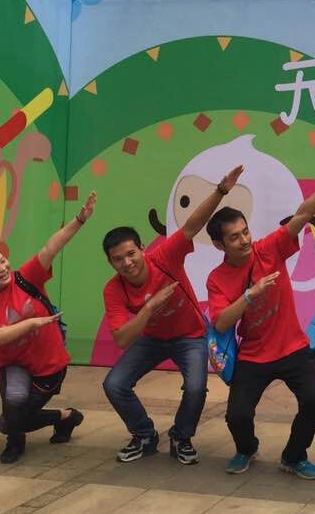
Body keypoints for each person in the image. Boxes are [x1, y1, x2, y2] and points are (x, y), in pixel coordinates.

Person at [207, 154, 315, 479]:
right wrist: (250, 295)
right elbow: (220, 322)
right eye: (234, 237)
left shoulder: (269, 248)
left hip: (293, 347)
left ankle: (294, 456)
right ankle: (246, 448)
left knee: (314, 403)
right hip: (253, 354)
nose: (244, 240)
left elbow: (302, 215)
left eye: (245, 232)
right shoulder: (217, 279)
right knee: (237, 416)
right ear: (219, 245)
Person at [100, 164, 245, 464]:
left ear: (142, 249)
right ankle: (144, 435)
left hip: (190, 336)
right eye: (118, 259)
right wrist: (149, 308)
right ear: (111, 263)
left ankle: (181, 436)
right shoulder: (113, 289)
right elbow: (122, 339)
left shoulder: (164, 257)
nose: (127, 263)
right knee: (114, 384)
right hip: (151, 339)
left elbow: (193, 224)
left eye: (131, 254)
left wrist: (221, 190)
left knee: (196, 388)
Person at [0, 192, 95, 464]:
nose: (3, 268)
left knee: (11, 420)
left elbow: (51, 248)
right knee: (12, 414)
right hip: (15, 364)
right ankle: (18, 441)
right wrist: (31, 323)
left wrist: (79, 220)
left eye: (2, 261)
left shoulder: (26, 278)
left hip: (49, 363)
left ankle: (66, 418)